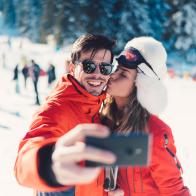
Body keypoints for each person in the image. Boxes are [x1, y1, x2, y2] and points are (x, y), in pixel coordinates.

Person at [14, 34, 116, 196]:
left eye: (105, 68)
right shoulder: (56, 108)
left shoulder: (99, 107)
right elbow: (23, 162)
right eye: (89, 66)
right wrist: (49, 164)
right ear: (72, 68)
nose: (97, 74)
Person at [101, 36, 191, 195]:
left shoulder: (154, 132)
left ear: (139, 87)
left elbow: (174, 191)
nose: (112, 75)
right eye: (116, 68)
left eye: (123, 74)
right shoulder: (103, 118)